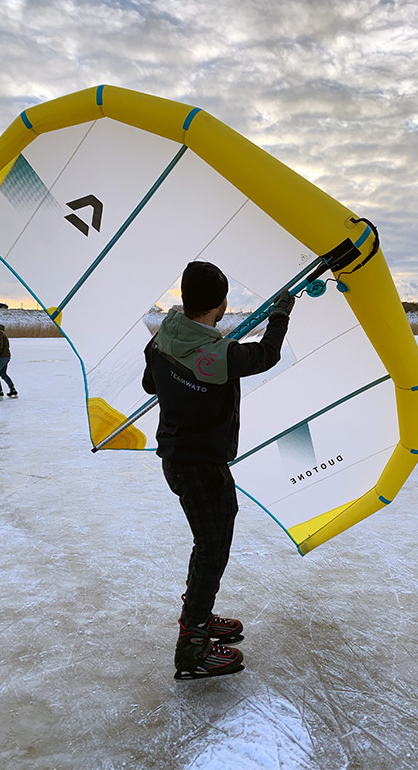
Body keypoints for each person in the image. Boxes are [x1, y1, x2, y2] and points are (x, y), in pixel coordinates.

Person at [142, 261, 294, 680]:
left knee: (210, 541)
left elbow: (149, 386)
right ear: (222, 303)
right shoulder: (218, 355)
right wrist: (281, 313)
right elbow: (266, 354)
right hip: (201, 463)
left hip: (178, 458)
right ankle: (192, 645)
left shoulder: (160, 341)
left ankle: (201, 618)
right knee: (212, 547)